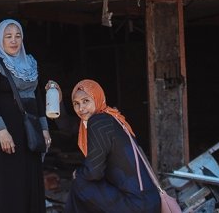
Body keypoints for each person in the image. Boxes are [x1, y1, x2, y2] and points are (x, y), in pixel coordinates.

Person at [0, 19, 50, 213]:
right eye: (8, 36)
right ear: (0, 39)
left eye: (17, 36)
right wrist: (2, 131)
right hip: (8, 133)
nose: (13, 41)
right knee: (9, 180)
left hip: (30, 132)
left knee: (30, 177)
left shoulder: (30, 64)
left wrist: (44, 129)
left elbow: (38, 98)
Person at [65, 79, 159, 213]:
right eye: (76, 104)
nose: (81, 108)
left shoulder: (97, 122)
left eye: (86, 101)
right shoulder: (112, 118)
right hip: (149, 201)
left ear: (97, 98)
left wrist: (77, 174)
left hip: (136, 205)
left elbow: (93, 173)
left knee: (80, 183)